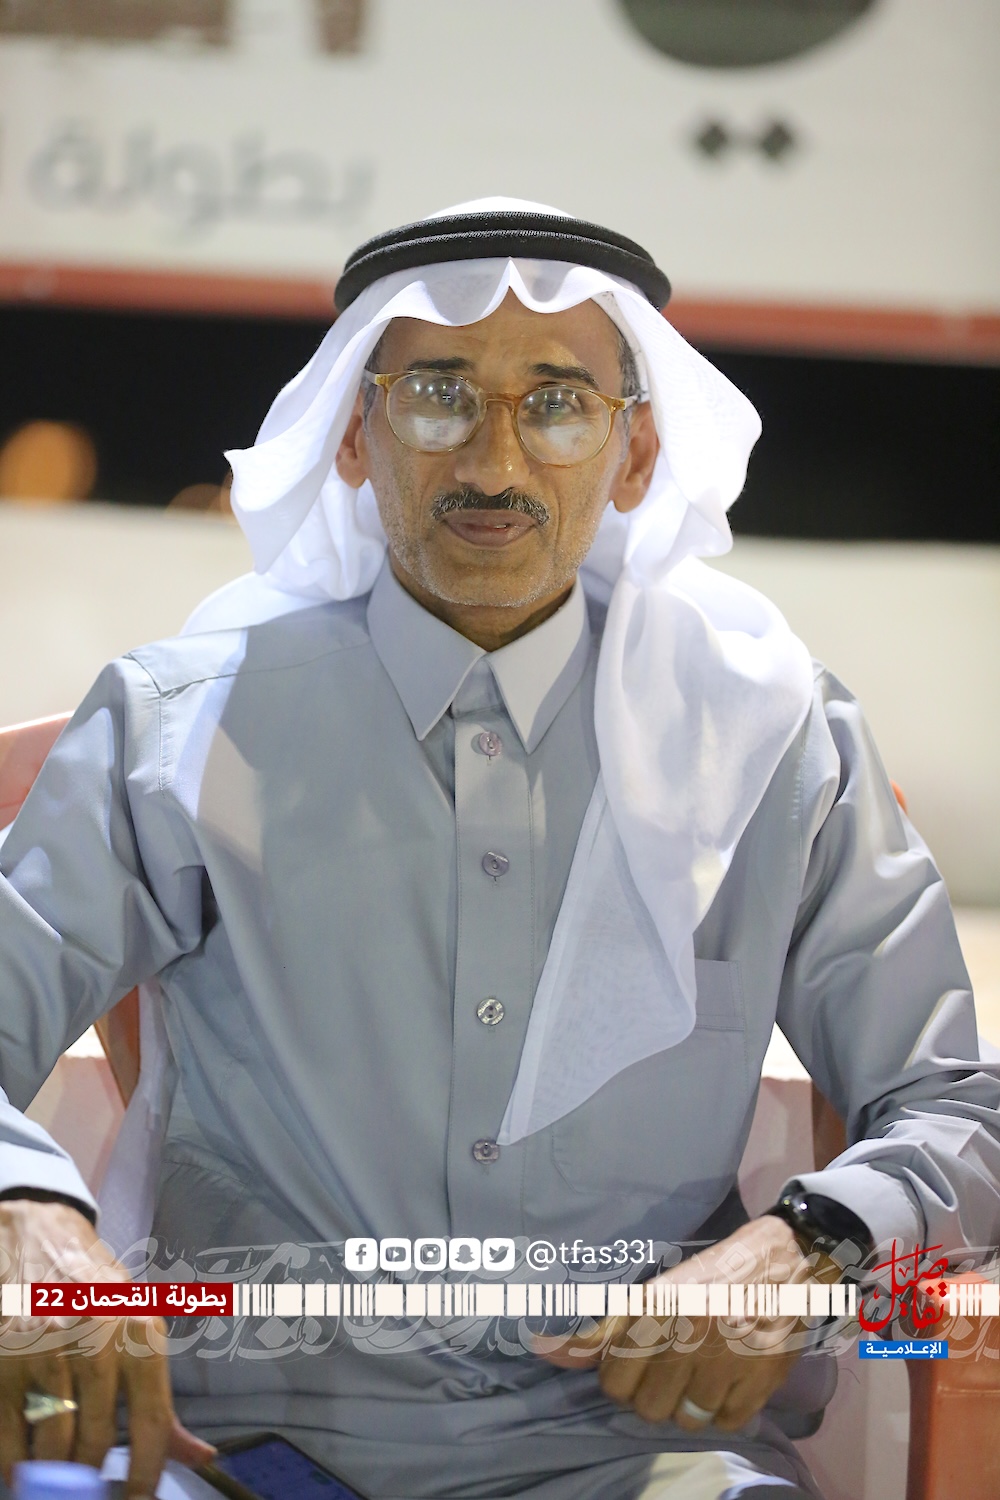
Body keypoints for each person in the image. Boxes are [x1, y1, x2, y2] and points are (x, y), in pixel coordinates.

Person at [0, 198, 997, 1500]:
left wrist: (807, 1244)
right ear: (352, 435)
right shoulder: (188, 730)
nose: (494, 460)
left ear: (636, 455)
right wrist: (28, 1214)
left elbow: (959, 1108)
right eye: (439, 396)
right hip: (234, 1449)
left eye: (560, 404)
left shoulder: (765, 745)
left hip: (648, 1459)